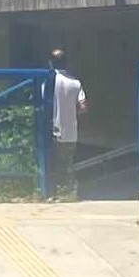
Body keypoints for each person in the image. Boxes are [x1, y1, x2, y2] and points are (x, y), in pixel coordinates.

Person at [50, 50, 86, 195]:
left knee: (55, 164)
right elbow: (83, 107)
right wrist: (72, 114)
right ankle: (71, 191)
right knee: (69, 163)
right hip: (71, 131)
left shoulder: (50, 81)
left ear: (50, 63)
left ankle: (56, 191)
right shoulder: (75, 83)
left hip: (54, 129)